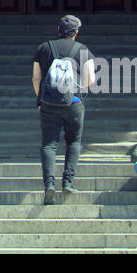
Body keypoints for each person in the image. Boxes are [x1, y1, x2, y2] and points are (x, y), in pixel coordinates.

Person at [32, 14, 96, 205]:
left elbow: (36, 78)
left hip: (49, 104)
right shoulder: (82, 49)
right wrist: (77, 92)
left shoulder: (44, 48)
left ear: (58, 30)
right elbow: (90, 79)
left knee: (49, 144)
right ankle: (68, 182)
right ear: (75, 33)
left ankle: (49, 185)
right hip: (74, 103)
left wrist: (41, 99)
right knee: (74, 141)